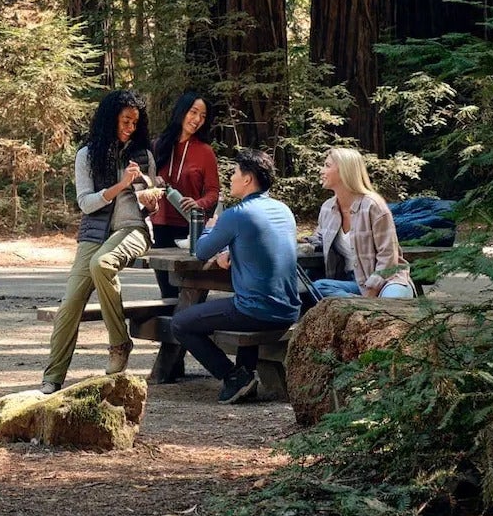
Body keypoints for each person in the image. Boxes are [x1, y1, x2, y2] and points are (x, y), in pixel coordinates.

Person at [42, 90, 162, 393]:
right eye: (125, 121)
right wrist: (119, 185)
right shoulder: (87, 155)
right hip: (94, 232)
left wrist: (151, 201)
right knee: (70, 303)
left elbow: (152, 202)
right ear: (111, 119)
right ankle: (52, 379)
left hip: (133, 230)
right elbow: (85, 203)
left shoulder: (143, 155)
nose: (130, 128)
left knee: (103, 263)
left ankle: (119, 342)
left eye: (135, 123)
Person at [171, 148, 303, 403]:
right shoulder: (283, 210)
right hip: (288, 309)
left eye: (234, 173)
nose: (230, 178)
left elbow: (200, 252)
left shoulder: (237, 214)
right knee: (246, 298)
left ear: (248, 179)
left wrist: (210, 229)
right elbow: (258, 244)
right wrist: (231, 250)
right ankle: (247, 375)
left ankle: (233, 376)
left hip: (257, 311)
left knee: (180, 323)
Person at [307, 147, 416, 299]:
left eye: (327, 165)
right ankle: (363, 310)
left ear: (344, 170)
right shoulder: (327, 208)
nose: (321, 170)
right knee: (319, 287)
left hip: (387, 280)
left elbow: (388, 257)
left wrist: (371, 293)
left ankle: (363, 309)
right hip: (354, 282)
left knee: (392, 301)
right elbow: (318, 238)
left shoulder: (373, 205)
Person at [149, 92, 221, 257]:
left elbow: (213, 191)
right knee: (164, 283)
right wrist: (151, 181)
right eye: (193, 112)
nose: (197, 120)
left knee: (182, 282)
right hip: (159, 225)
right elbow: (141, 181)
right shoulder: (157, 145)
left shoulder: (205, 152)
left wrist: (199, 203)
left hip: (190, 226)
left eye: (203, 116)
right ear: (182, 111)